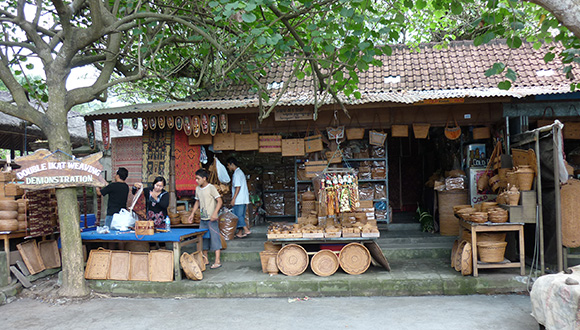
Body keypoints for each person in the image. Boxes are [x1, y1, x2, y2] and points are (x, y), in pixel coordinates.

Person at [188, 168, 223, 269]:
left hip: (212, 219)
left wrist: (215, 213)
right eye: (196, 179)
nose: (196, 181)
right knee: (203, 239)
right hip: (203, 218)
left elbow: (219, 201)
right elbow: (197, 202)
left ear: (204, 178)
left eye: (198, 179)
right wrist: (192, 214)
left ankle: (217, 261)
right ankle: (205, 259)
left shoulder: (211, 188)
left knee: (215, 238)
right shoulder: (197, 189)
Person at [226, 157, 251, 238]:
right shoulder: (240, 172)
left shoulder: (236, 174)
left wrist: (233, 199)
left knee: (238, 216)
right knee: (241, 216)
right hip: (242, 199)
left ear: (232, 164)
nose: (228, 167)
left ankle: (246, 230)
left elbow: (238, 187)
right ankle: (240, 232)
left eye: (228, 165)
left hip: (239, 199)